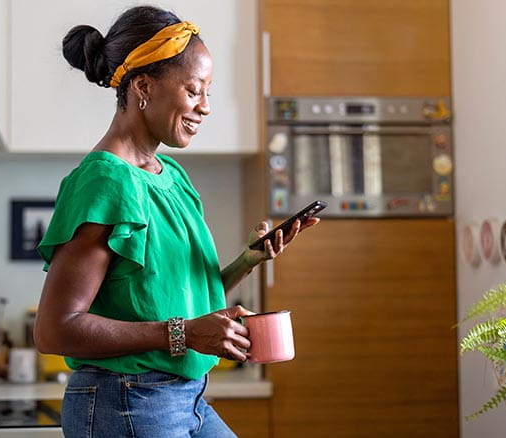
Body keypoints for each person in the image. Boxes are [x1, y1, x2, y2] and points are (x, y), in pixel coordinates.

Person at [34, 6, 319, 437]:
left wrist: (248, 261)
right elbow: (56, 330)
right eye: (194, 90)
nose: (205, 107)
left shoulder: (174, 179)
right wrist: (182, 334)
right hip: (126, 401)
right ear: (143, 86)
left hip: (186, 397)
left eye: (208, 92)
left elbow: (176, 304)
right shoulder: (104, 182)